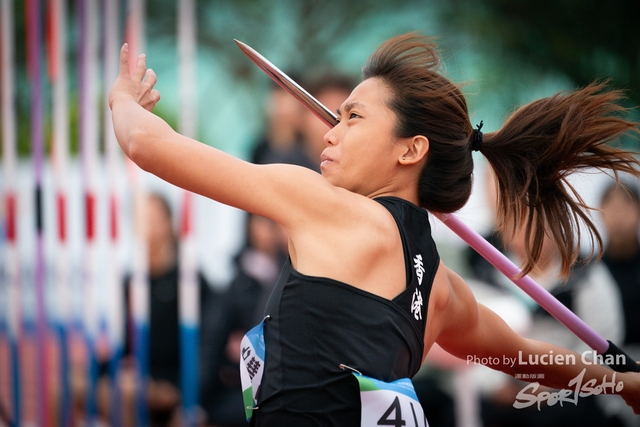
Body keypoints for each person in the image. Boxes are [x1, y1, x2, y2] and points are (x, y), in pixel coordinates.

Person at [109, 33, 640, 425]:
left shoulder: (323, 206)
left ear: (411, 150)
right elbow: (526, 357)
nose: (330, 131)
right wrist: (623, 382)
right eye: (336, 116)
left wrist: (124, 102)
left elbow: (148, 147)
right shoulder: (440, 290)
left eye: (353, 117)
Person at [115, 193, 217, 427]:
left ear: (169, 223)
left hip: (181, 379)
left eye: (153, 218)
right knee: (70, 385)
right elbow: (125, 346)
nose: (146, 227)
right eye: (140, 219)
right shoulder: (131, 281)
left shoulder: (191, 280)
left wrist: (182, 389)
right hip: (142, 376)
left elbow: (209, 346)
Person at [201, 214, 287, 427]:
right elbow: (211, 345)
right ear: (249, 226)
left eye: (275, 222)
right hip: (237, 390)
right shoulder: (236, 285)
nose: (270, 229)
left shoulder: (294, 276)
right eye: (262, 221)